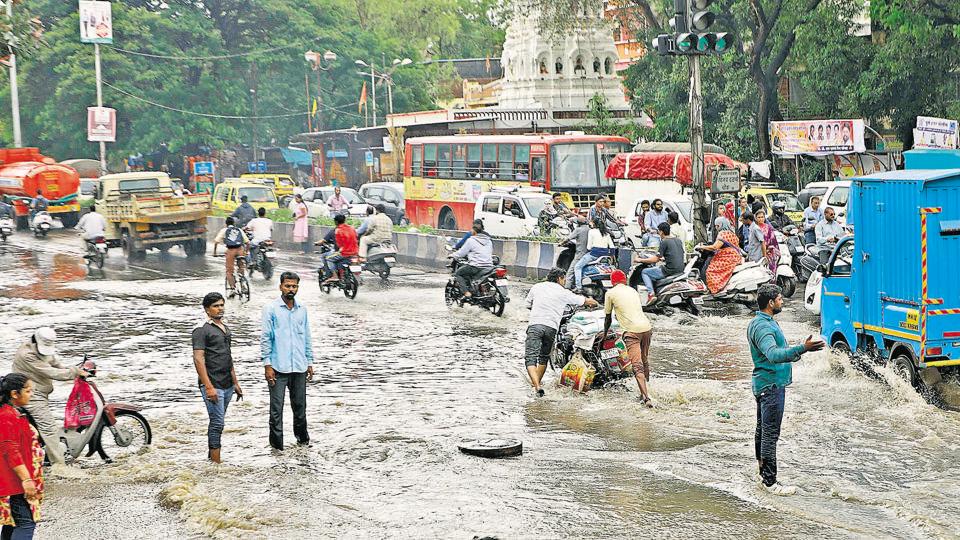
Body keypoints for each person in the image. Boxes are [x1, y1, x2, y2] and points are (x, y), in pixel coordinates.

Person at [748, 283, 824, 495]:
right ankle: (770, 482)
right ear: (771, 303)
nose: (783, 301)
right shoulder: (763, 327)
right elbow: (773, 355)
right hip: (770, 385)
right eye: (780, 299)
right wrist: (803, 349)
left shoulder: (760, 322)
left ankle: (762, 473)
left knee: (762, 431)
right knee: (770, 433)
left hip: (764, 383)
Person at [11, 328, 88, 478]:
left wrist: (76, 369)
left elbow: (55, 363)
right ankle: (59, 466)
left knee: (44, 427)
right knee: (49, 428)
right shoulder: (26, 354)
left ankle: (46, 453)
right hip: (30, 395)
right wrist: (74, 372)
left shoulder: (42, 351)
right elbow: (51, 372)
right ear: (35, 340)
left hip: (39, 392)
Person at [524, 268, 598, 397]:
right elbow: (583, 301)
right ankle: (537, 385)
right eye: (564, 279)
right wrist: (594, 303)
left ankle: (536, 386)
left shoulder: (537, 287)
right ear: (559, 278)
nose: (564, 282)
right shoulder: (563, 292)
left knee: (530, 358)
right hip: (551, 328)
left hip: (535, 325)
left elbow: (528, 304)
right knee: (543, 357)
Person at [261, 272, 314, 451]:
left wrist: (309, 362)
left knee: (300, 409)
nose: (291, 289)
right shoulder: (271, 309)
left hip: (299, 367)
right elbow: (266, 338)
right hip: (278, 367)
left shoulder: (302, 309)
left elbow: (307, 337)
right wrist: (267, 365)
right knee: (276, 411)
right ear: (280, 287)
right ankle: (277, 449)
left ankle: (303, 445)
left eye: (294, 286)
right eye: (287, 286)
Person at [192, 293, 243, 464]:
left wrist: (235, 382)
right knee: (217, 423)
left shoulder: (225, 328)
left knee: (218, 422)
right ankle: (216, 465)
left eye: (222, 305)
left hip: (227, 384)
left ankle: (211, 459)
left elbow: (228, 357)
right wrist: (208, 387)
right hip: (213, 384)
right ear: (207, 309)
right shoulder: (201, 329)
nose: (220, 308)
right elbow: (198, 359)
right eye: (215, 306)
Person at [602, 270, 655, 407]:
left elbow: (608, 318)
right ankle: (648, 391)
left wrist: (605, 333)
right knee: (644, 360)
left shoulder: (610, 293)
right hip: (646, 328)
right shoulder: (632, 291)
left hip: (632, 332)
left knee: (636, 365)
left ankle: (646, 398)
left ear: (612, 281)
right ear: (624, 280)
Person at [0, 373, 43, 540]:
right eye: (28, 391)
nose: (31, 394)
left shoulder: (12, 413)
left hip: (12, 480)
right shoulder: (6, 417)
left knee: (13, 523)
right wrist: (26, 479)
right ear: (14, 394)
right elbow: (11, 450)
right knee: (26, 523)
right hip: (14, 482)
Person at [636, 222, 685, 304]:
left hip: (669, 270)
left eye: (659, 231)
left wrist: (640, 260)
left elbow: (655, 259)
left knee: (645, 272)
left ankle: (651, 294)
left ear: (661, 232)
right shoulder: (678, 240)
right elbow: (675, 254)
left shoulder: (664, 242)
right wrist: (664, 259)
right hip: (680, 269)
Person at [696, 220, 744, 294]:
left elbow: (715, 247)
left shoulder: (722, 234)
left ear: (719, 225)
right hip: (735, 257)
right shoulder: (732, 234)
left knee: (710, 270)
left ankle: (715, 289)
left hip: (727, 257)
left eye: (716, 226)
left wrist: (702, 247)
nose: (716, 227)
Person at [450, 221, 494, 298]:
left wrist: (452, 255)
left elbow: (461, 253)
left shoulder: (471, 240)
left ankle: (466, 292)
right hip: (489, 266)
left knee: (458, 273)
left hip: (476, 266)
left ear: (474, 231)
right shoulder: (489, 241)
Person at [573, 219, 614, 291]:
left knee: (577, 267)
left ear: (594, 224)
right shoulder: (606, 233)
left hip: (593, 255)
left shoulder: (591, 231)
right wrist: (611, 255)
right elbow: (612, 247)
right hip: (605, 256)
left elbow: (589, 247)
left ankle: (578, 287)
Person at [213, 217, 249, 295]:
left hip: (231, 250)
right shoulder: (239, 230)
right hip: (240, 250)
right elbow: (247, 242)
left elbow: (216, 242)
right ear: (234, 223)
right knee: (241, 266)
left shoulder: (224, 230)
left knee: (229, 271)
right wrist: (246, 251)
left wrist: (215, 253)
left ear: (226, 224)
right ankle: (243, 283)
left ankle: (233, 289)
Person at [321, 214, 359, 285]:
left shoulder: (338, 230)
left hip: (345, 252)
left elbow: (339, 245)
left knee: (328, 258)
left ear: (336, 222)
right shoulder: (352, 228)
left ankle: (335, 276)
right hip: (355, 252)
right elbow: (356, 238)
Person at [562, 216, 589, 288]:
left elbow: (567, 239)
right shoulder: (589, 229)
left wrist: (561, 244)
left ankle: (568, 287)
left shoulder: (578, 230)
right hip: (589, 254)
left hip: (580, 254)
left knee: (571, 271)